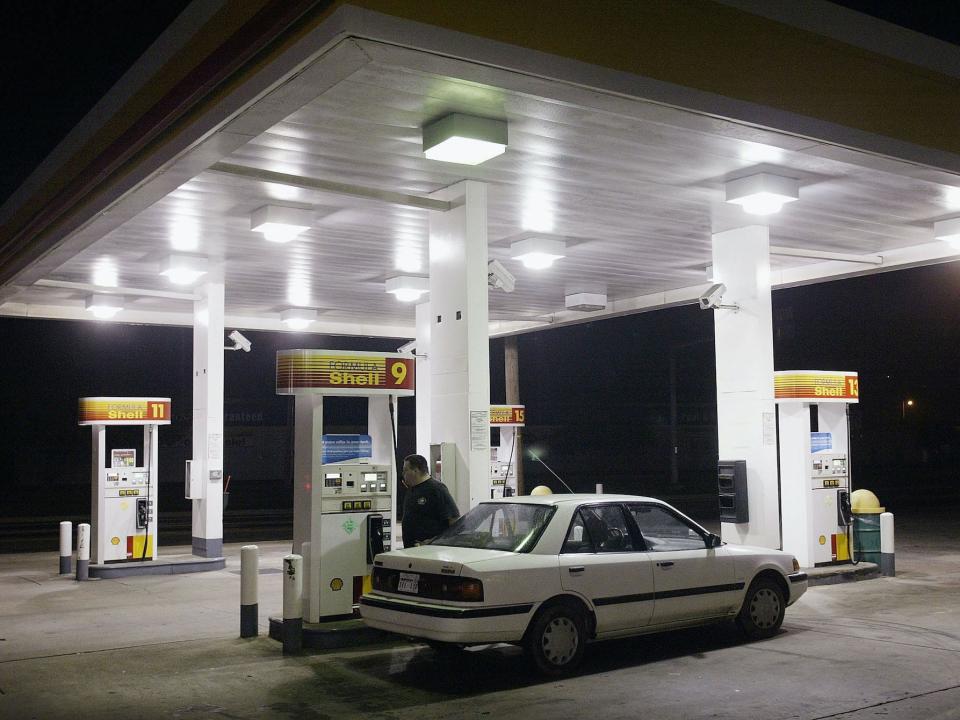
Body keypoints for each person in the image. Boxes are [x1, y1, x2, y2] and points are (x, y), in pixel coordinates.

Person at [400, 453, 459, 547]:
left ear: (416, 471)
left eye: (405, 470)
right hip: (411, 549)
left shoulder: (437, 489)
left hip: (430, 550)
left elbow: (454, 520)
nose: (403, 474)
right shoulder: (412, 489)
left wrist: (434, 541)